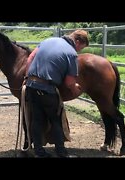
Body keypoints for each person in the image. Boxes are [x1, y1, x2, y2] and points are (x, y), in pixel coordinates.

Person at [25, 29, 89, 158]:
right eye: (80, 48)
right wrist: (75, 89)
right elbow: (69, 82)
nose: (78, 51)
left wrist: (27, 77)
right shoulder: (71, 53)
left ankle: (39, 152)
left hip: (31, 85)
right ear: (77, 41)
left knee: (37, 119)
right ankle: (61, 153)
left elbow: (30, 58)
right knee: (56, 120)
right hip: (46, 89)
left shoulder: (48, 40)